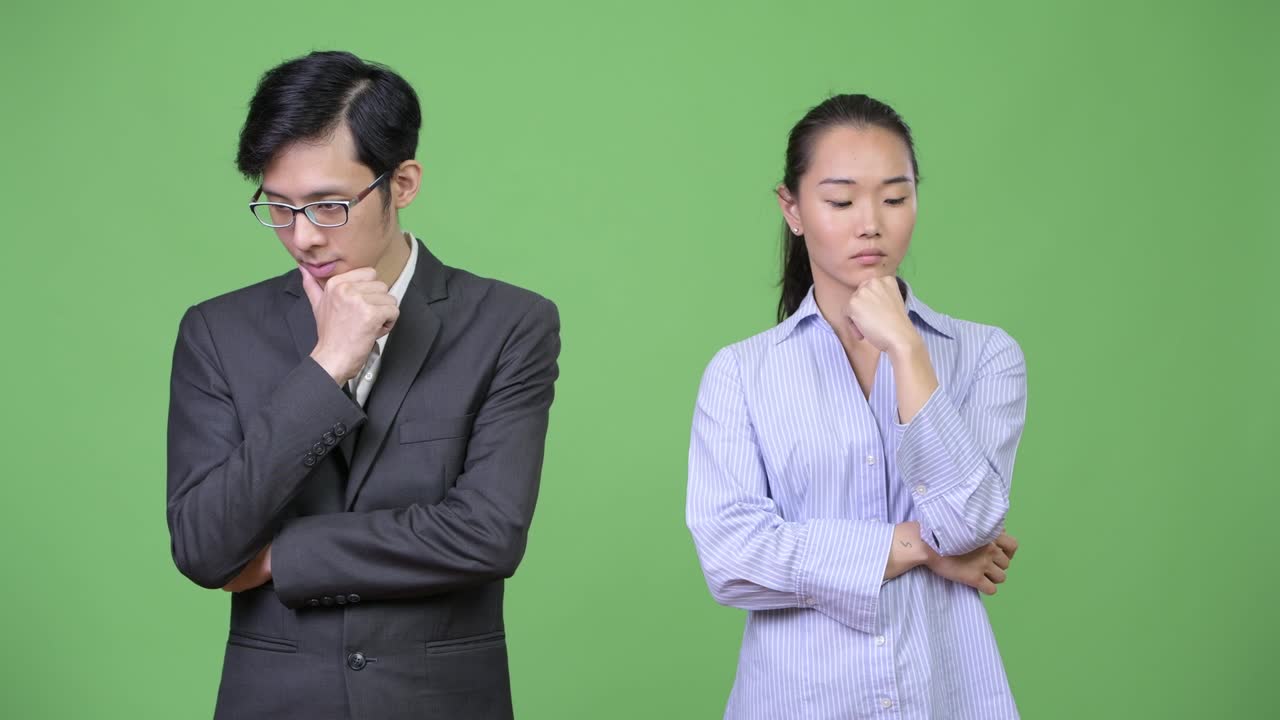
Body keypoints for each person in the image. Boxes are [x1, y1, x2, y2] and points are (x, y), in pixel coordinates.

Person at [166, 50, 560, 720]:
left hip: (440, 701)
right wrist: (328, 365)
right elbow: (205, 547)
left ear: (401, 183)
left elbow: (487, 534)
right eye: (279, 207)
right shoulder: (216, 332)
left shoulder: (509, 324)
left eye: (328, 206)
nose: (302, 238)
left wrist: (281, 555)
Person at [686, 94, 1026, 719]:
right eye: (841, 201)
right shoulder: (741, 374)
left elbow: (971, 524)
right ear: (792, 209)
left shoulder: (985, 356)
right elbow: (733, 560)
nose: (870, 222)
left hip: (945, 695)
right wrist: (920, 549)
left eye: (895, 198)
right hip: (794, 700)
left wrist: (907, 349)